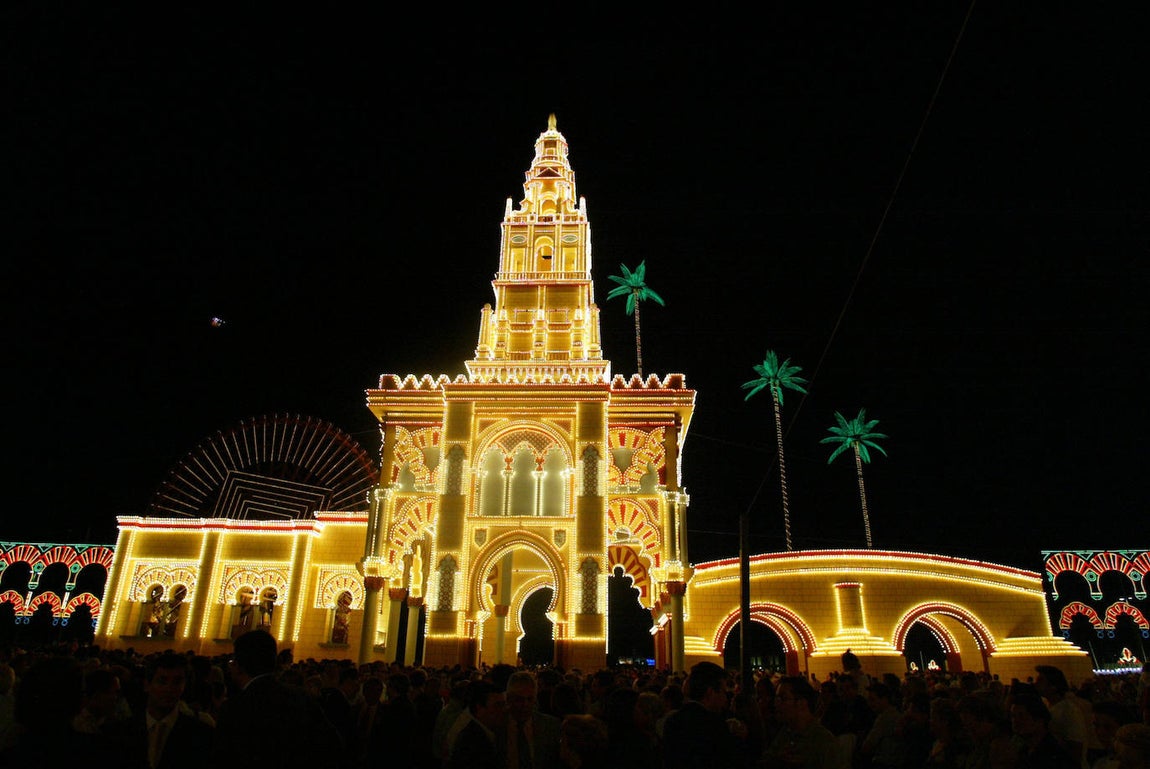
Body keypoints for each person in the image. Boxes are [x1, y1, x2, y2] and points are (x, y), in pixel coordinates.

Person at [212, 629, 344, 766]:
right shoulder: (302, 698)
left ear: (239, 665)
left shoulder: (235, 708)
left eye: (233, 661)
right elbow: (332, 746)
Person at [105, 652, 214, 769]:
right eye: (162, 681)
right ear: (147, 685)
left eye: (176, 682)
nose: (169, 689)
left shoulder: (201, 736)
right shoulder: (119, 732)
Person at [662, 660, 746, 769]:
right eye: (723, 692)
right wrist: (739, 740)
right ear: (710, 692)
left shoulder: (672, 721)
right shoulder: (714, 726)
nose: (725, 698)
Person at [762, 675, 840, 769]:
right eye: (777, 699)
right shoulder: (786, 732)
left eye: (783, 698)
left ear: (802, 703)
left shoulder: (823, 742)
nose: (776, 704)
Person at [503, 670, 562, 769]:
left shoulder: (551, 726)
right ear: (508, 699)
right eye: (519, 699)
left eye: (530, 699)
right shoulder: (496, 725)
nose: (525, 705)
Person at [1036, 664, 1090, 769]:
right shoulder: (1046, 706)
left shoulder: (1069, 711)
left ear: (1053, 686)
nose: (1036, 684)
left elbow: (1076, 748)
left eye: (1041, 680)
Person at [1010, 692, 1080, 769]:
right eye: (1013, 716)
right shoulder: (1023, 751)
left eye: (1022, 716)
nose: (1016, 721)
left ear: (1039, 720)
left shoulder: (1054, 757)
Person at [447, 679, 506, 769]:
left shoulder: (477, 730)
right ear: (479, 708)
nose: (503, 710)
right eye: (497, 705)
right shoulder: (472, 744)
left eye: (504, 705)